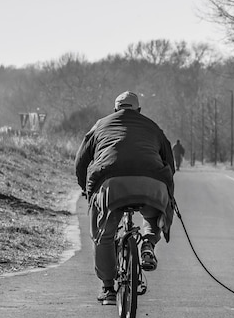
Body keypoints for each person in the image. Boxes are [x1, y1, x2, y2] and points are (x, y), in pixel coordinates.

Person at [75, 91, 176, 305]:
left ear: (115, 110)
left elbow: (81, 161)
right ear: (139, 110)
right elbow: (170, 161)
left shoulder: (100, 125)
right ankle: (148, 243)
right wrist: (165, 188)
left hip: (112, 186)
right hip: (152, 183)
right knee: (152, 214)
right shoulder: (152, 127)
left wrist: (86, 188)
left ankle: (108, 289)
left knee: (104, 234)